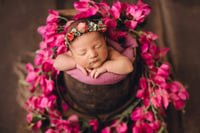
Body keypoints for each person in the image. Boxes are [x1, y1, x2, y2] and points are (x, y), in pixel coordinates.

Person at [53, 18, 134, 79]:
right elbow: (57, 63)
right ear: (72, 52)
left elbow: (128, 67)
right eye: (83, 53)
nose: (93, 55)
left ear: (104, 41)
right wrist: (75, 63)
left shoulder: (110, 52)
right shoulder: (73, 56)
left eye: (97, 46)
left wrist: (106, 66)